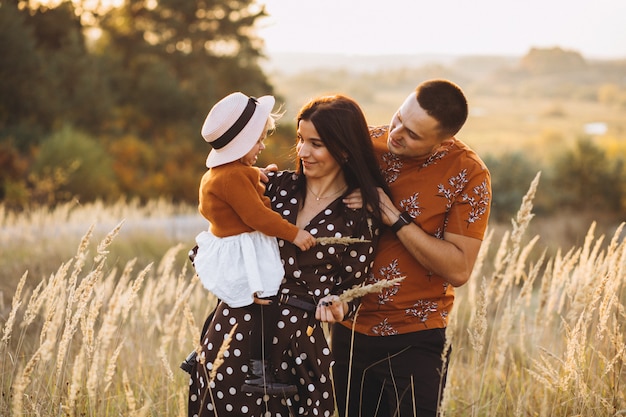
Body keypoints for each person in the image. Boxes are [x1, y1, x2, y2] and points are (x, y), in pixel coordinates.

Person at [187, 94, 388, 417]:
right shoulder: (275, 187)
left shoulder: (358, 215)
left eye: (316, 143)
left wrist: (339, 305)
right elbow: (218, 235)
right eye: (300, 139)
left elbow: (353, 287)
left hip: (299, 348)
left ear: (345, 150)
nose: (302, 151)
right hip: (235, 335)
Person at [331, 79, 492, 417]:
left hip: (417, 337)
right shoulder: (363, 144)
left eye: (414, 134)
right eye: (399, 117)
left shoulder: (468, 174)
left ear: (442, 141)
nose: (397, 133)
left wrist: (393, 216)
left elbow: (459, 269)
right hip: (348, 328)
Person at [191, 91, 317, 395]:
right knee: (263, 302)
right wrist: (293, 233)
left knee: (241, 300)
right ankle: (258, 371)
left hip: (231, 244)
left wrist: (256, 175)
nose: (262, 146)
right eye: (258, 141)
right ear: (242, 145)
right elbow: (258, 216)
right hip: (244, 248)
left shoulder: (222, 173)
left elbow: (236, 178)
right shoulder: (232, 178)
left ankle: (208, 354)